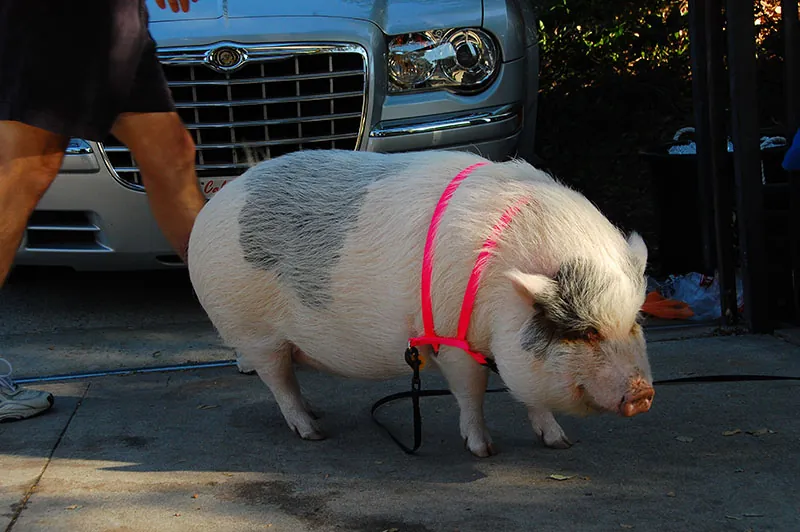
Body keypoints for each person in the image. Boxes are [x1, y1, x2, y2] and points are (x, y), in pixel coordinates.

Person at [0, 0, 206, 422]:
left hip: (112, 16)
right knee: (26, 169)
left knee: (171, 156)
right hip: (60, 17)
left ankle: (244, 321)